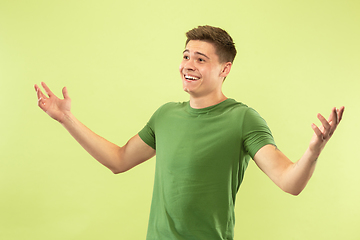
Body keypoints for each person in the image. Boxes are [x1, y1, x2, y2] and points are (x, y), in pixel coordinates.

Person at [35, 25, 344, 240]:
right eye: (185, 56)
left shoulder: (243, 118)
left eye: (200, 59)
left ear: (224, 69)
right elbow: (118, 160)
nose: (188, 64)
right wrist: (67, 119)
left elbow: (289, 181)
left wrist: (314, 151)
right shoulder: (165, 114)